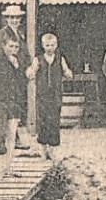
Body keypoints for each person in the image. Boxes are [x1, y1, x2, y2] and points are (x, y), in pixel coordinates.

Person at [29, 32, 73, 160]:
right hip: (42, 95)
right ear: (43, 46)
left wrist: (68, 73)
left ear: (56, 45)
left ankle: (53, 148)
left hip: (56, 95)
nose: (50, 48)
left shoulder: (60, 59)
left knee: (54, 120)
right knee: (43, 120)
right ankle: (43, 148)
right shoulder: (38, 59)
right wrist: (31, 72)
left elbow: (66, 71)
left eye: (52, 45)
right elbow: (32, 70)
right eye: (47, 45)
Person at [0, 35, 28, 155]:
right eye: (10, 46)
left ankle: (7, 166)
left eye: (16, 47)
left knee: (11, 134)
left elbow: (22, 81)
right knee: (0, 137)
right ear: (3, 46)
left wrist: (18, 68)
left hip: (13, 100)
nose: (13, 49)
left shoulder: (19, 61)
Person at [0, 4, 33, 145]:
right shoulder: (2, 34)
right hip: (7, 74)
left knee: (16, 105)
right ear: (6, 19)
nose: (14, 20)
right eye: (11, 17)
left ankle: (8, 136)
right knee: (10, 105)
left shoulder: (20, 33)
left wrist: (29, 66)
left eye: (17, 17)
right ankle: (5, 136)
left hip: (19, 73)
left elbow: (25, 53)